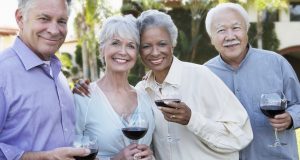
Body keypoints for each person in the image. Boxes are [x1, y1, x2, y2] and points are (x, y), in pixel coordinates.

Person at [74, 9, 253, 160]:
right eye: (146, 46)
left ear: (172, 45)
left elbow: (242, 134)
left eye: (162, 44)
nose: (155, 52)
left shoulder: (201, 76)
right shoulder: (143, 91)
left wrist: (192, 119)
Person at [204, 3, 300, 160]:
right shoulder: (205, 74)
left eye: (236, 28)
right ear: (211, 38)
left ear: (246, 30)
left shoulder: (276, 63)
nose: (230, 36)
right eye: (221, 30)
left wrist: (290, 118)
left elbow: (298, 103)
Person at [0, 0, 91, 159]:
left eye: (61, 21)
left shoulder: (58, 74)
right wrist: (41, 158)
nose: (54, 30)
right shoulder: (3, 74)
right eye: (44, 18)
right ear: (20, 18)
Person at [74, 15, 155, 160]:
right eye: (115, 43)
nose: (123, 52)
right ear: (102, 49)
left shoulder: (145, 97)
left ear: (136, 54)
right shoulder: (83, 96)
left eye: (130, 45)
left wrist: (150, 156)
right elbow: (70, 154)